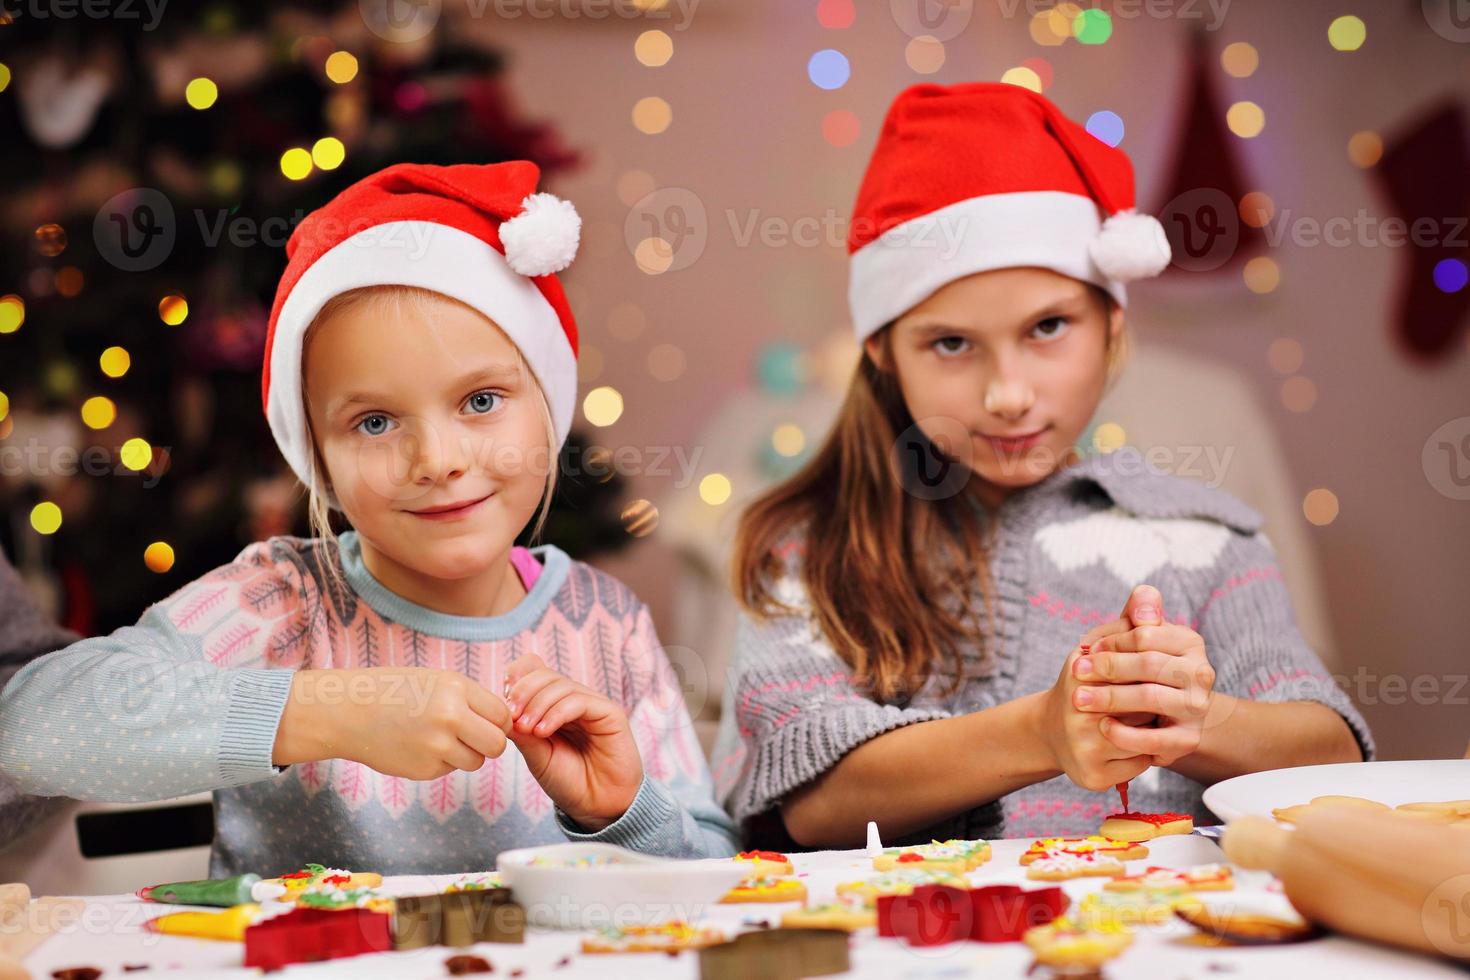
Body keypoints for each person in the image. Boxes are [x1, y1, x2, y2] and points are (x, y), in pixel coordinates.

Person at [0, 162, 737, 874]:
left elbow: (721, 878)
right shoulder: (279, 604)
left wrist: (622, 811)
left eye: (481, 401)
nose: (437, 460)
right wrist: (326, 711)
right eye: (376, 421)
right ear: (316, 455)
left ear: (549, 409)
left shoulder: (606, 626)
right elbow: (27, 728)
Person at [712, 83, 1371, 848]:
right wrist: (1042, 731)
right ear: (881, 351)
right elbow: (814, 798)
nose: (1008, 394)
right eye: (951, 343)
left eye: (1049, 327)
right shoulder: (811, 542)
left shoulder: (1205, 539)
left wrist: (1195, 717)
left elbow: (1333, 755)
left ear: (1112, 325)